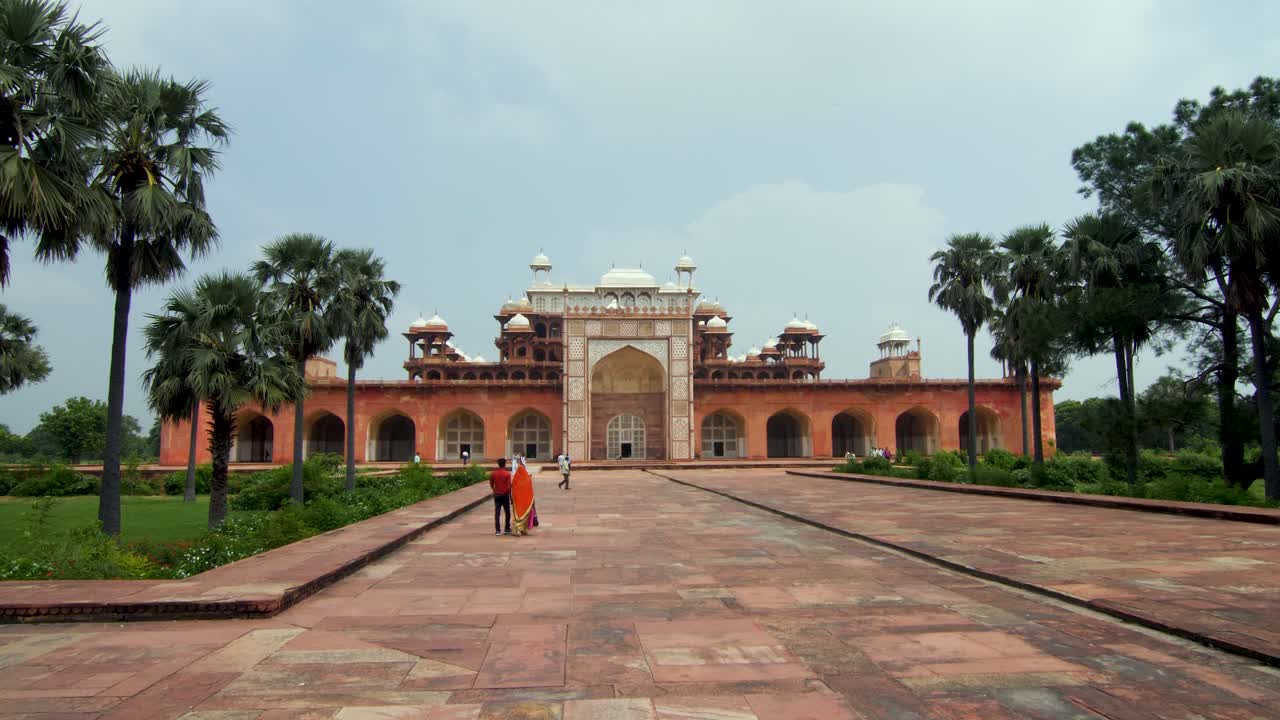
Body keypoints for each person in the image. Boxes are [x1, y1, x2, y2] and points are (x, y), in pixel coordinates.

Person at [510, 455, 536, 535]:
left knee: (516, 516)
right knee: (525, 515)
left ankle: (517, 529)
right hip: (526, 502)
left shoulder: (516, 480)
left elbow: (512, 487)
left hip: (517, 502)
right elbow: (531, 491)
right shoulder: (527, 480)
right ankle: (523, 530)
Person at [489, 458, 512, 536]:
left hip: (497, 495)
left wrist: (494, 490)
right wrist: (510, 496)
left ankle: (497, 530)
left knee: (497, 513)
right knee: (507, 512)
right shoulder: (507, 474)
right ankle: (507, 528)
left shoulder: (493, 473)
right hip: (505, 495)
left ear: (498, 464)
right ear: (505, 464)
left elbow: (491, 483)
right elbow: (509, 487)